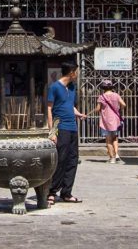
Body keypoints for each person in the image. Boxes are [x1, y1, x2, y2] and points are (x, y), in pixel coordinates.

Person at [46, 62, 87, 204]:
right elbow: (49, 110)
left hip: (73, 128)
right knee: (60, 160)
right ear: (71, 73)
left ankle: (66, 192)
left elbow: (70, 106)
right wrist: (52, 132)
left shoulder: (72, 87)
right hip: (61, 128)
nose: (77, 74)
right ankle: (51, 191)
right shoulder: (54, 87)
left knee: (72, 160)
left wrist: (78, 114)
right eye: (76, 72)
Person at [93, 79, 126, 164]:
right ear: (111, 87)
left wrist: (96, 110)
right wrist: (119, 110)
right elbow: (124, 104)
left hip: (105, 120)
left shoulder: (102, 97)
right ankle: (117, 155)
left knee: (108, 140)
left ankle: (112, 158)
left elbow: (97, 109)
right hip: (115, 120)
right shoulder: (116, 95)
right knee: (115, 138)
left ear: (103, 88)